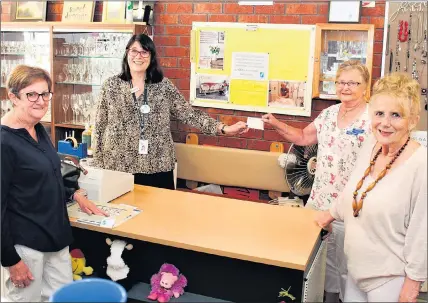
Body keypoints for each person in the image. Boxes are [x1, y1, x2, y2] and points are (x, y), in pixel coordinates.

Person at [262, 60, 372, 302]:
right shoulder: (329, 113)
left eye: (353, 82)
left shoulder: (373, 117)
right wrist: (276, 124)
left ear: (365, 86)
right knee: (313, 260)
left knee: (342, 268)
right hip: (318, 201)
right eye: (342, 82)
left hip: (350, 207)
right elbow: (302, 137)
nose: (346, 87)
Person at [315, 72, 427, 302]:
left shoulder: (421, 164)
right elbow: (353, 190)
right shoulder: (372, 146)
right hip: (355, 270)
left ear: (413, 120)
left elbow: (422, 232)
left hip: (389, 278)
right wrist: (329, 215)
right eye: (379, 114)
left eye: (396, 115)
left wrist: (413, 283)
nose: (385, 123)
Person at [1, 65, 107, 302]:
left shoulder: (38, 128)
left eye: (45, 93)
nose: (40, 101)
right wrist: (10, 259)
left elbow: (51, 172)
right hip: (26, 246)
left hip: (56, 237)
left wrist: (75, 194)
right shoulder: (4, 141)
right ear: (13, 97)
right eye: (31, 94)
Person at [92, 34, 248, 190]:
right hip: (119, 166)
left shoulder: (163, 86)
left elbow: (189, 114)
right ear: (127, 53)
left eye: (144, 52)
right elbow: (99, 127)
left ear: (151, 56)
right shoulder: (111, 86)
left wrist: (223, 128)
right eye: (134, 51)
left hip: (157, 165)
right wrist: (99, 166)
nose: (138, 56)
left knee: (161, 212)